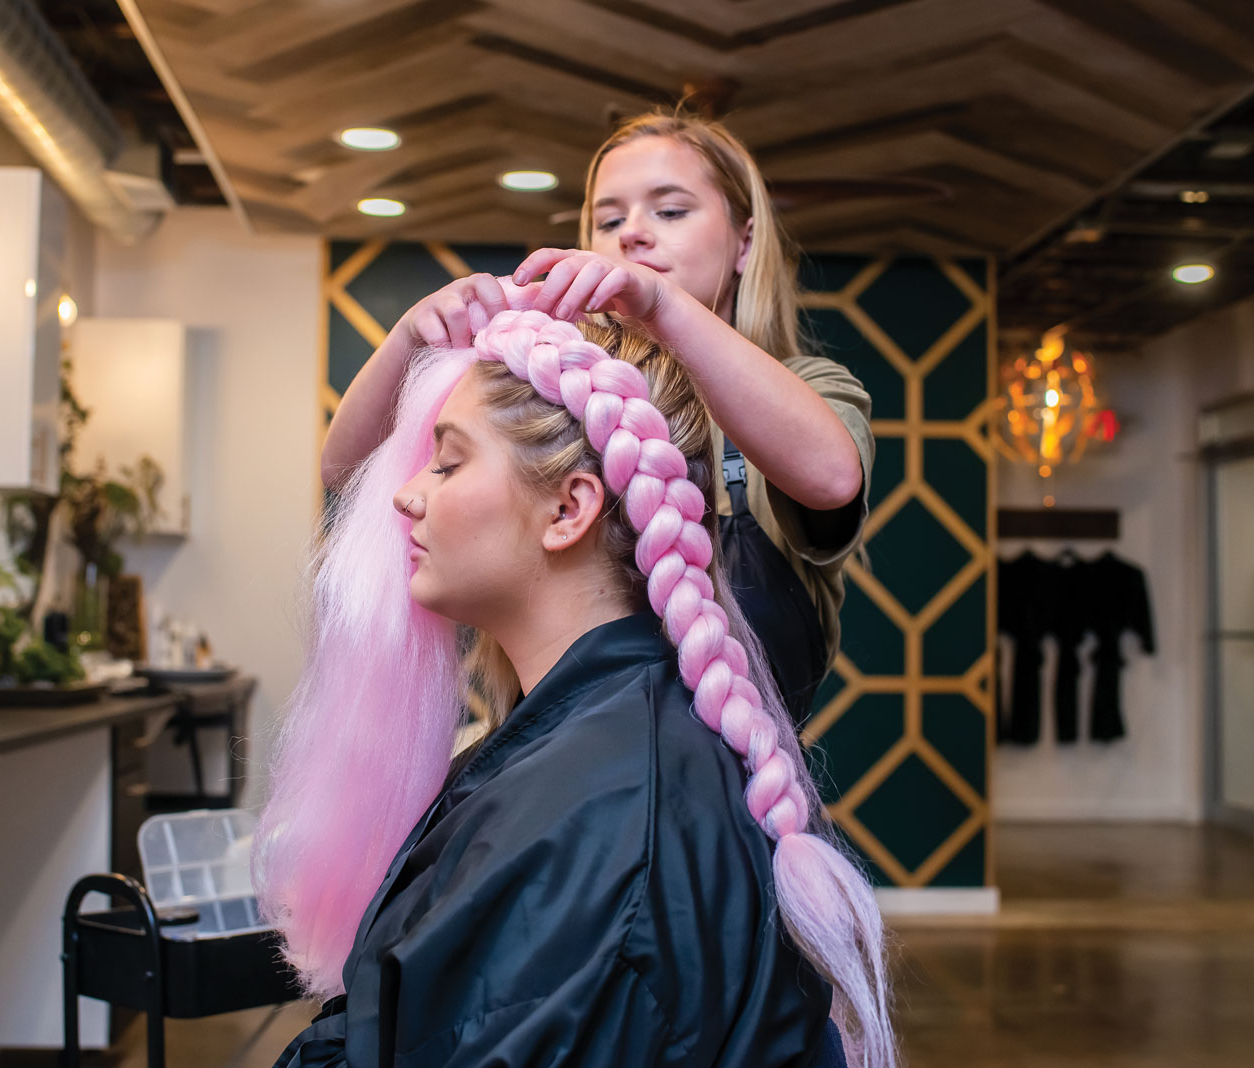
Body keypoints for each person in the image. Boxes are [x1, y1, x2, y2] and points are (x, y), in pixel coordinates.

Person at [259, 309, 896, 1067]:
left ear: (569, 509)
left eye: (448, 461)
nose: (405, 497)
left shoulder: (601, 816)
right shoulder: (586, 757)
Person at [322, 111, 874, 726]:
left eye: (669, 211)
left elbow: (830, 478)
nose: (633, 234)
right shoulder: (551, 381)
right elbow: (347, 472)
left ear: (745, 242)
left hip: (724, 793)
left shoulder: (807, 388)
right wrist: (410, 338)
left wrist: (664, 306)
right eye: (609, 220)